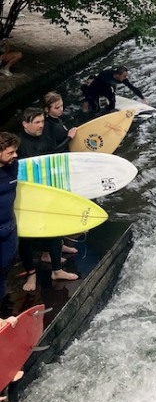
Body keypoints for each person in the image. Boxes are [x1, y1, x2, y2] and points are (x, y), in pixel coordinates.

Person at [17, 108, 78, 292]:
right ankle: (31, 275)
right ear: (25, 124)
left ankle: (56, 269)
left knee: (53, 227)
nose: (41, 125)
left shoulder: (45, 136)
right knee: (26, 238)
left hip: (48, 191)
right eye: (36, 122)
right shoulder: (19, 144)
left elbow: (54, 157)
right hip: (27, 197)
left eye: (42, 122)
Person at [0, 133, 19, 304]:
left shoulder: (14, 166)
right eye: (10, 152)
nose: (15, 155)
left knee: (5, 266)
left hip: (9, 228)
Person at [82, 66, 146, 114]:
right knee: (95, 108)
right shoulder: (106, 74)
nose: (126, 78)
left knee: (112, 104)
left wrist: (142, 98)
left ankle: (107, 113)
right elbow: (95, 82)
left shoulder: (123, 79)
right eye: (124, 76)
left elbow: (132, 87)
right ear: (117, 75)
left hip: (107, 88)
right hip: (96, 88)